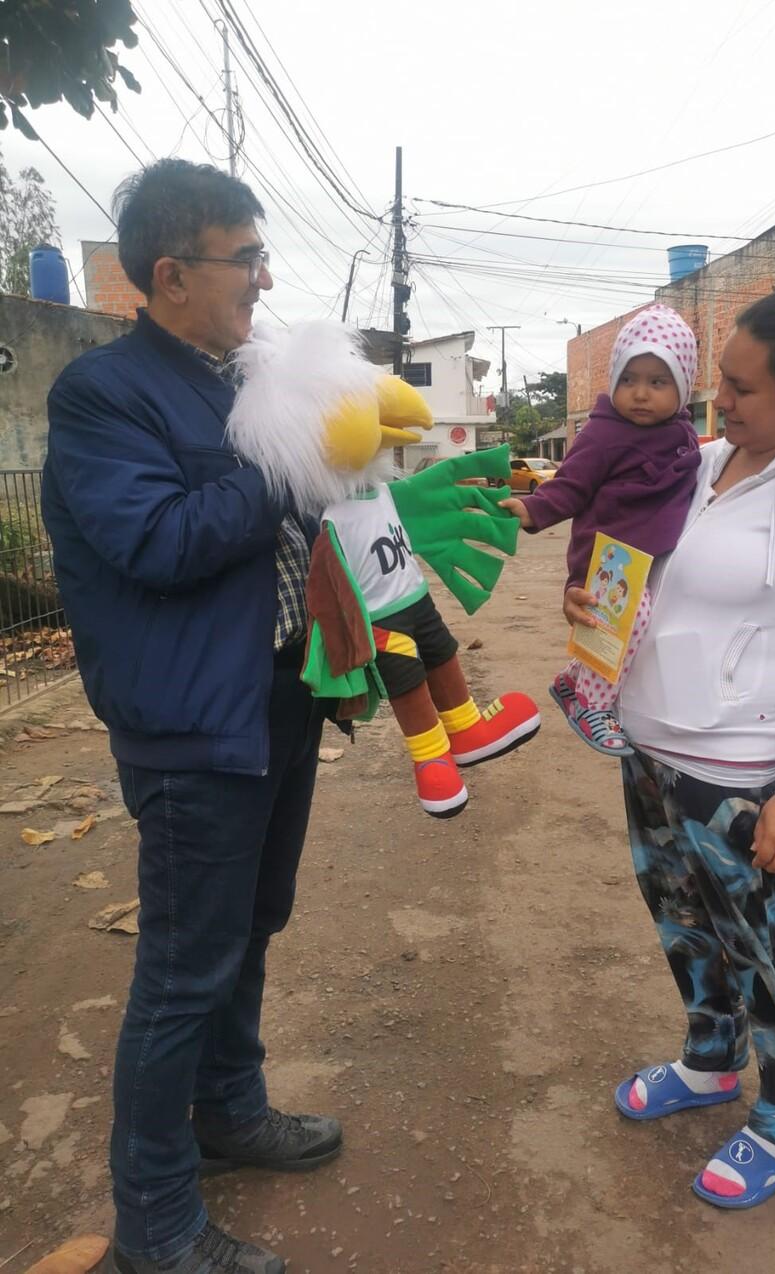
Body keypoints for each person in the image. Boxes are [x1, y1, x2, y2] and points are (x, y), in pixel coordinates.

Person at [42, 159, 341, 1274]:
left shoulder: (227, 379)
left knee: (249, 927)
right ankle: (155, 1221)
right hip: (188, 723)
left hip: (271, 697)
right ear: (170, 273)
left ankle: (230, 1108)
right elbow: (157, 541)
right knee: (180, 969)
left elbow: (290, 522)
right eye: (244, 257)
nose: (263, 278)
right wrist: (280, 454)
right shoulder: (104, 393)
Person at [565, 288, 775, 1208]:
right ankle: (711, 1061)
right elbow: (634, 552)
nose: (719, 403)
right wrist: (588, 598)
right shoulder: (707, 460)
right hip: (652, 749)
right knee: (682, 923)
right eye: (718, 380)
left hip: (744, 773)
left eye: (743, 389)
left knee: (764, 948)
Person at [500, 305, 700, 757]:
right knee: (629, 619)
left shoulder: (684, 434)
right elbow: (571, 482)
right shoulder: (604, 432)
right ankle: (590, 701)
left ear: (684, 386)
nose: (640, 394)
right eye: (629, 379)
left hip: (652, 551)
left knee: (624, 623)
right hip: (611, 554)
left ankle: (573, 680)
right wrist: (532, 511)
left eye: (657, 381)